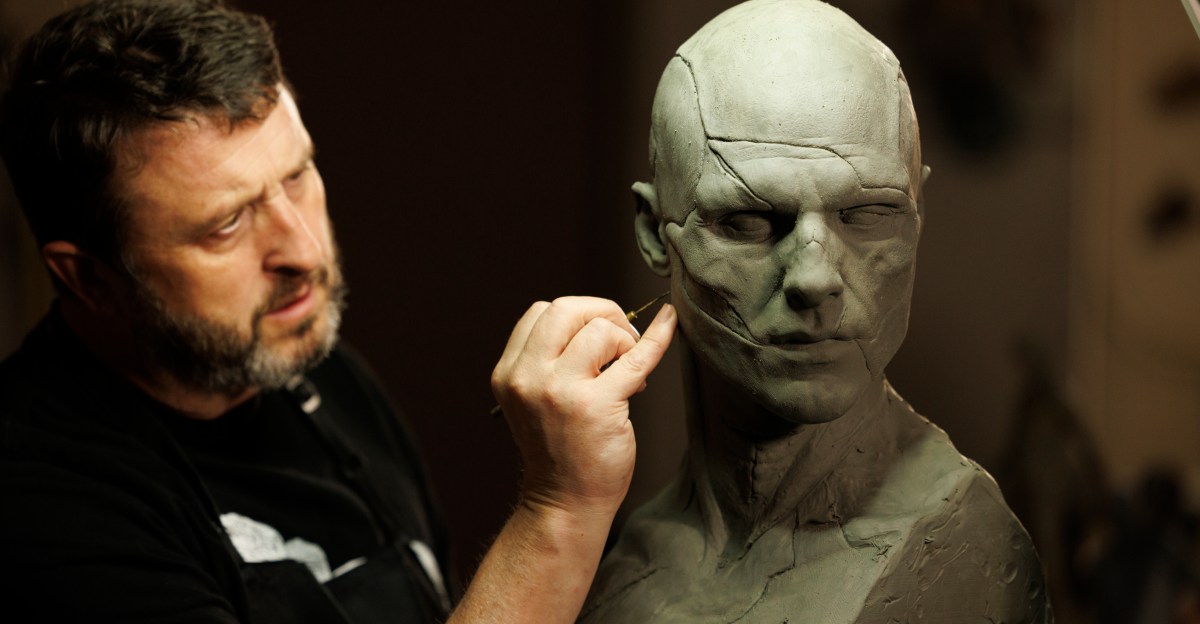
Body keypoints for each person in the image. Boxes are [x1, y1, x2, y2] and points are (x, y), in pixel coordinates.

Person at [0, 1, 675, 622]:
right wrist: (560, 508)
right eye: (227, 224)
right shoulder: (45, 507)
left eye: (297, 174)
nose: (301, 250)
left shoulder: (316, 373)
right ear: (89, 278)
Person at [578, 1, 1053, 622]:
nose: (813, 277)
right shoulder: (621, 551)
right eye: (748, 221)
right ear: (653, 232)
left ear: (918, 215)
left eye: (866, 215)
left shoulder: (958, 557)